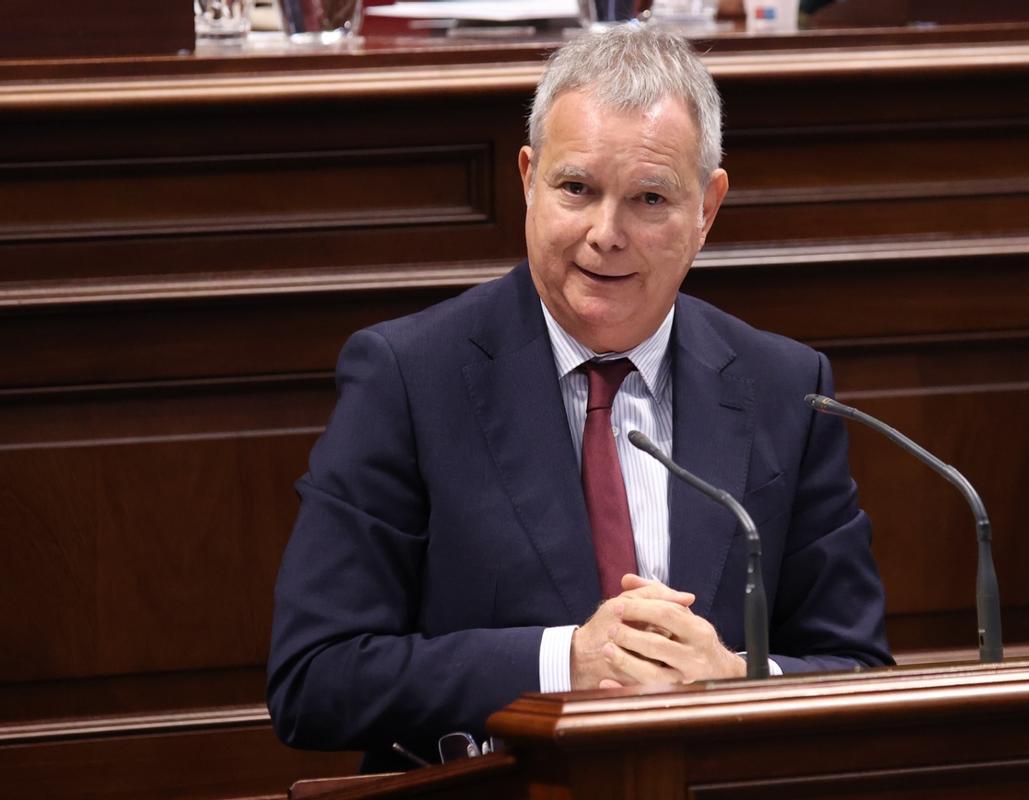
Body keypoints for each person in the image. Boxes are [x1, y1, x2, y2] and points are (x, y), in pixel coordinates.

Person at [267, 24, 891, 773]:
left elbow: (857, 671)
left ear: (707, 210)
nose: (606, 234)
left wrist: (739, 680)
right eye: (576, 189)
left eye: (650, 198)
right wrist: (565, 660)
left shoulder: (787, 389)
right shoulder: (407, 377)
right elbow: (315, 678)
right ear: (527, 179)